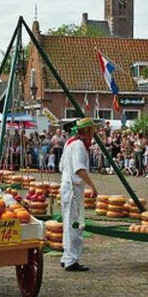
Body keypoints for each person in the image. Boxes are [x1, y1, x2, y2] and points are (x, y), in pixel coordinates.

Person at [59, 117, 99, 272]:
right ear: (87, 130)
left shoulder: (69, 143)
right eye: (92, 129)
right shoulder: (78, 146)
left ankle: (66, 257)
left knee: (69, 222)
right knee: (75, 224)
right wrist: (92, 186)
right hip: (73, 188)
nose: (94, 133)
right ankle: (71, 260)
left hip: (67, 185)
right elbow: (79, 169)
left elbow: (62, 166)